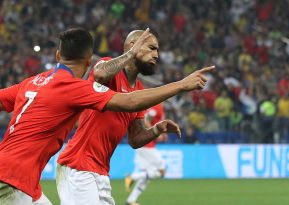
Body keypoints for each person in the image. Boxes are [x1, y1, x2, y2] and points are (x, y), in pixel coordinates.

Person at [0, 27, 214, 205]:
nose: (156, 54)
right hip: (72, 166)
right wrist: (181, 85)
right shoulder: (86, 82)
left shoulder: (33, 82)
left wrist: (157, 129)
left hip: (86, 174)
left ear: (58, 56)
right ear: (87, 63)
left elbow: (135, 137)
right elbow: (108, 80)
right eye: (151, 48)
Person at [125, 103, 167, 205]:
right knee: (161, 171)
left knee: (147, 177)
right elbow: (146, 119)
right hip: (147, 145)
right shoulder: (157, 107)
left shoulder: (154, 105)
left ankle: (131, 200)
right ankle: (132, 177)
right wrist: (155, 132)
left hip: (143, 144)